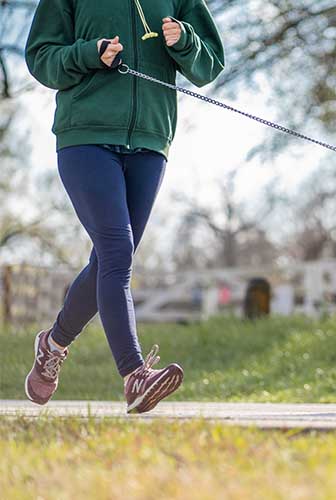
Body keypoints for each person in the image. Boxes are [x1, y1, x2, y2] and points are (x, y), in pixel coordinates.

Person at [23, 0, 224, 413]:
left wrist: (185, 41)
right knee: (117, 252)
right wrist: (87, 53)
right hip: (86, 138)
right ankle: (135, 375)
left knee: (109, 261)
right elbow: (41, 58)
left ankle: (53, 343)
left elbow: (209, 65)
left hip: (151, 142)